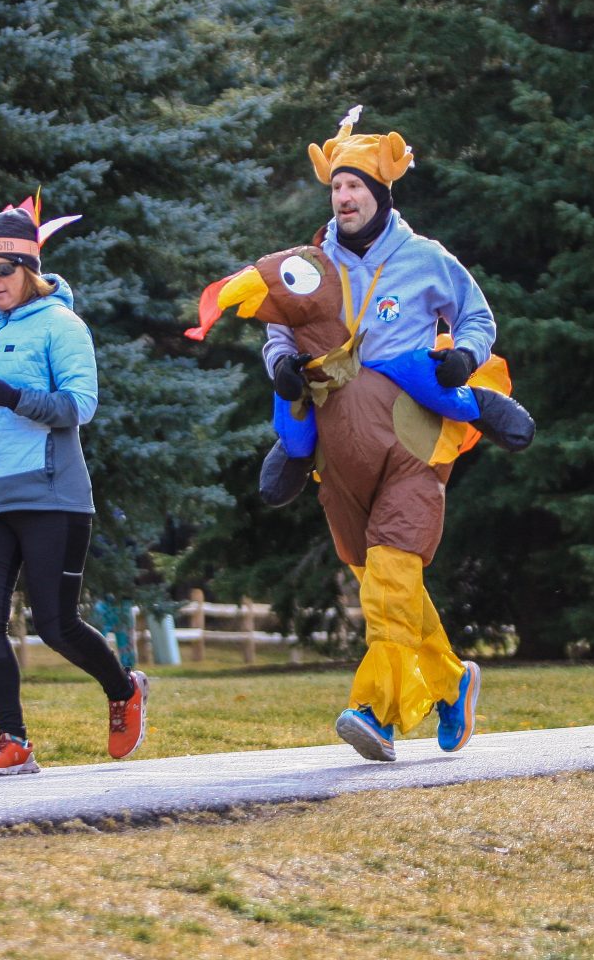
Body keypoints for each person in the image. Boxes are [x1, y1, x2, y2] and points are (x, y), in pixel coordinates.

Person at [262, 106, 489, 760]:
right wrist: (279, 363)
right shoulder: (310, 263)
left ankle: (378, 713)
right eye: (336, 187)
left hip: (411, 443)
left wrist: (465, 357)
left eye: (356, 185)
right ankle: (451, 683)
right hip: (338, 448)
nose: (344, 197)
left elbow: (476, 316)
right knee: (385, 582)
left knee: (391, 573)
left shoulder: (426, 260)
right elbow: (277, 321)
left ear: (382, 193)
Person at [0, 195, 149, 775]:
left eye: (4, 269)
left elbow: (81, 405)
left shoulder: (63, 326)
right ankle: (14, 742)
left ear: (29, 270)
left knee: (55, 625)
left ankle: (123, 688)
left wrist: (14, 398)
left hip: (51, 493)